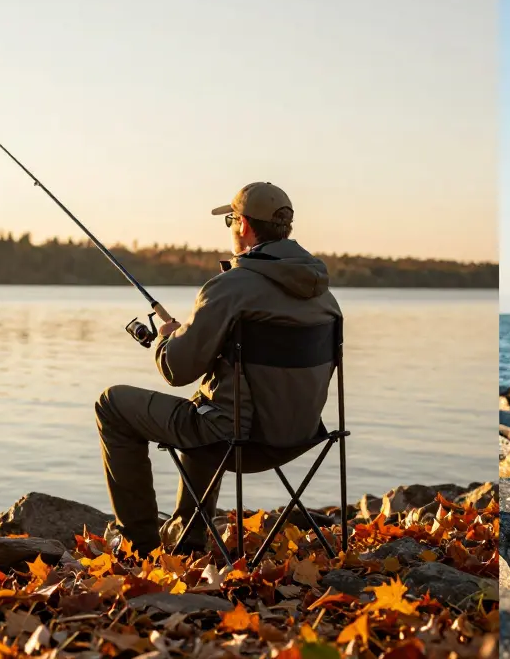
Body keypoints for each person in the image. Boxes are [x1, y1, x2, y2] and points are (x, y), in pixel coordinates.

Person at [94, 182, 342, 554]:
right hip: (298, 439)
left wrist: (164, 340)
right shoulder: (326, 298)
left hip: (236, 442)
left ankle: (140, 545)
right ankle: (186, 535)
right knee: (209, 404)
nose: (229, 227)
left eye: (230, 219)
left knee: (112, 405)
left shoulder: (229, 287)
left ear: (243, 224)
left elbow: (176, 371)